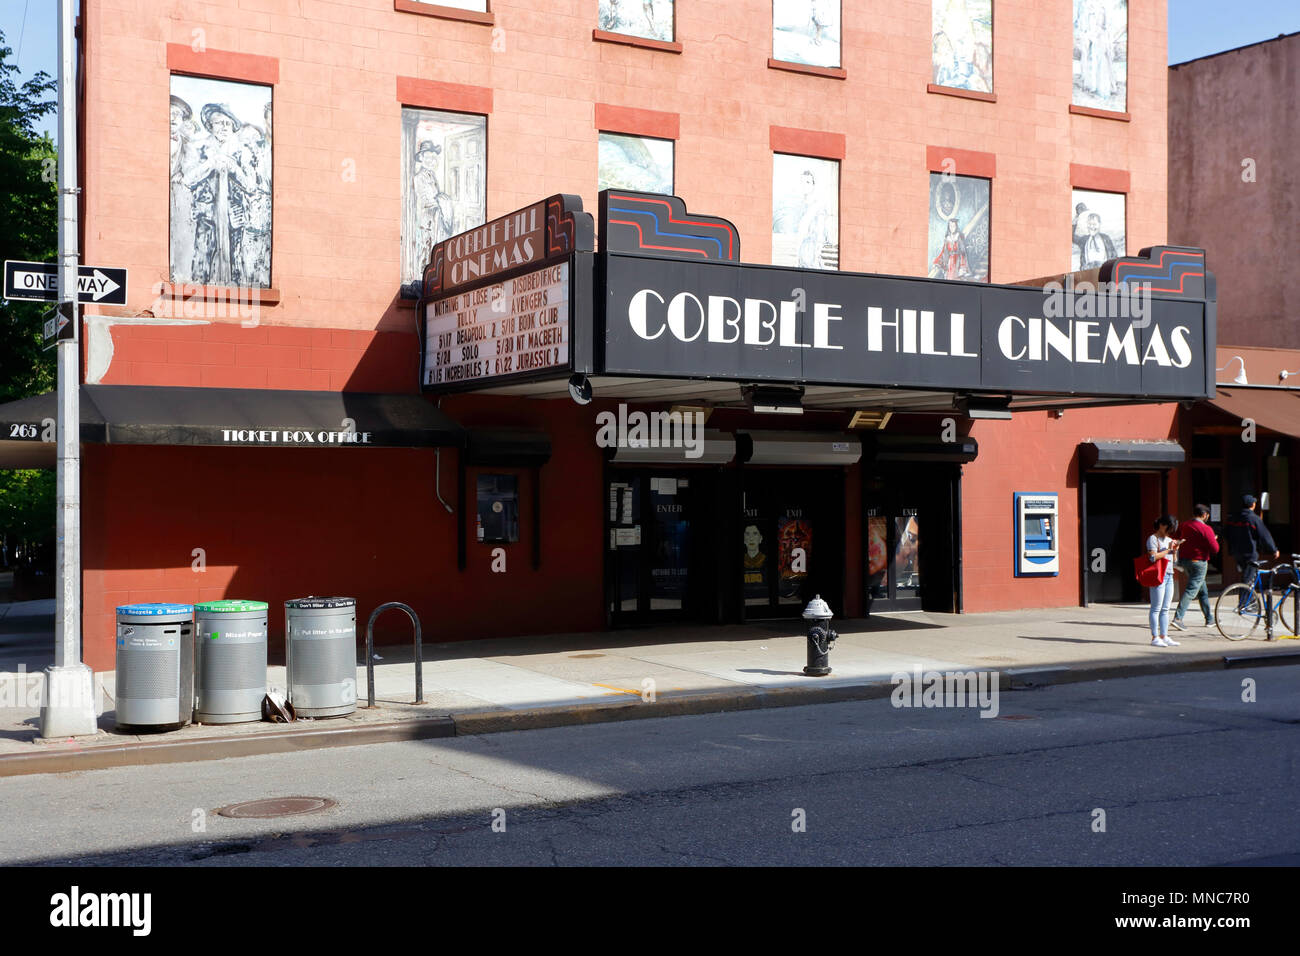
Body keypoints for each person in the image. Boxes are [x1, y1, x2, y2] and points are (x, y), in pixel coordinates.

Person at [1171, 504, 1219, 630]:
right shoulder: (1206, 528)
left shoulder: (1184, 525)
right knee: (1192, 590)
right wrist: (1213, 539)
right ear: (1204, 515)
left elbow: (1175, 538)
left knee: (1202, 590)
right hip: (1199, 562)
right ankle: (1178, 618)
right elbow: (1215, 549)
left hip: (1185, 561)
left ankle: (1209, 619)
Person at [1222, 494, 1279, 586]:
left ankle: (1251, 598)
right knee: (1247, 579)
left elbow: (1225, 533)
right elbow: (1265, 536)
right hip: (1250, 553)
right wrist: (1274, 549)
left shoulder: (1233, 518)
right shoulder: (1254, 519)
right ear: (1252, 505)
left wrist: (1233, 544)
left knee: (1247, 575)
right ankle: (1244, 600)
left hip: (1237, 553)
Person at [1146, 515, 1184, 647]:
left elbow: (1174, 562)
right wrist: (1168, 550)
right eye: (1169, 529)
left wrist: (1174, 551)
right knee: (1156, 608)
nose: (1169, 532)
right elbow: (1152, 557)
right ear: (1162, 525)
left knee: (1166, 608)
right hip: (1158, 576)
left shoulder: (1169, 540)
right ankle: (1155, 637)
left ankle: (1164, 635)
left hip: (1169, 575)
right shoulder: (1153, 538)